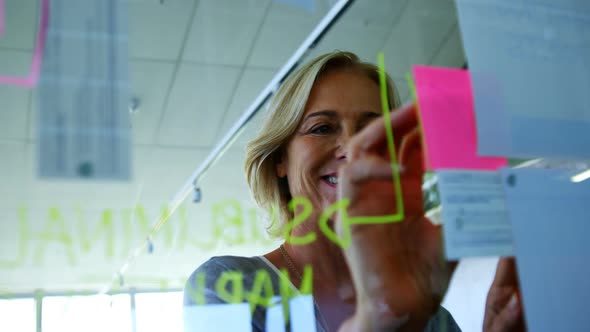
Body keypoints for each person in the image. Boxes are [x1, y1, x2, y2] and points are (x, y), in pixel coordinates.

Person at [184, 51, 524, 332]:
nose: (351, 148)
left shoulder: (432, 318)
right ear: (280, 161)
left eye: (371, 129)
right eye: (322, 128)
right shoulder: (229, 287)